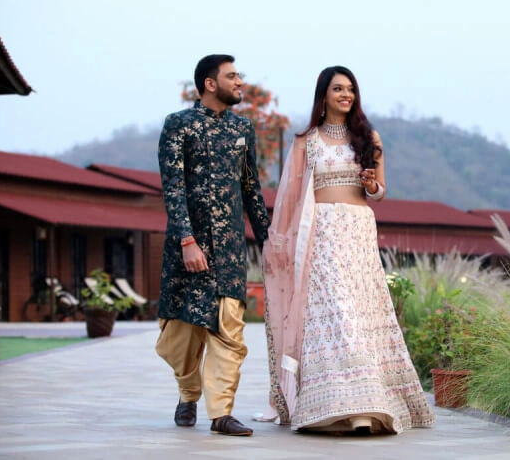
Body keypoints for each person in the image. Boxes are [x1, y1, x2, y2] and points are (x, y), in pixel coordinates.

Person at [261, 65, 435, 434]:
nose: (346, 95)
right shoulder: (306, 141)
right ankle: (346, 408)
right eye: (338, 88)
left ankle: (367, 405)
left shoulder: (368, 137)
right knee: (337, 313)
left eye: (351, 89)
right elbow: (290, 198)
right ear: (323, 95)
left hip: (357, 231)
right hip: (320, 233)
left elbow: (380, 192)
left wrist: (372, 185)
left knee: (360, 312)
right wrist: (280, 244)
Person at [156, 54, 271, 437]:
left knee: (230, 332)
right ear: (210, 83)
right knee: (181, 335)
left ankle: (221, 413)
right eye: (232, 76)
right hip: (187, 250)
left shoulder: (242, 128)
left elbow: (251, 187)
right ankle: (188, 393)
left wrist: (268, 240)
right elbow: (173, 187)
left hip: (230, 250)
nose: (240, 83)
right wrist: (187, 240)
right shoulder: (179, 125)